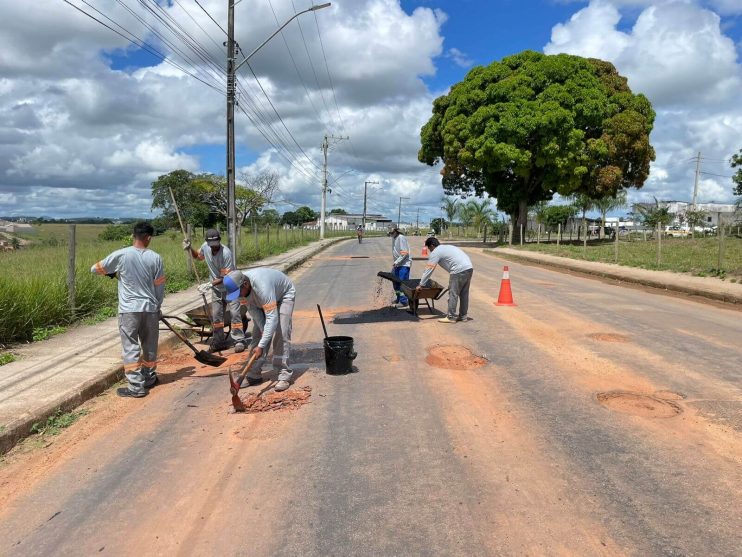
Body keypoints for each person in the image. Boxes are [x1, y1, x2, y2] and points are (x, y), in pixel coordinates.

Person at [91, 221, 165, 398]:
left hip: (129, 310)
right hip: (150, 308)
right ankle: (149, 378)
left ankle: (136, 387)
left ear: (134, 236)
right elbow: (159, 288)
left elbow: (94, 269)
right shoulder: (155, 258)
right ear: (148, 238)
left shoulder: (121, 255)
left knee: (130, 346)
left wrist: (113, 273)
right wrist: (158, 308)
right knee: (150, 345)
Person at [223, 268, 296, 392]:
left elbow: (272, 318)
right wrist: (263, 335)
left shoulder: (262, 286)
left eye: (238, 292)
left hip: (283, 296)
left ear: (245, 284)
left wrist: (262, 345)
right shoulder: (241, 292)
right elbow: (254, 312)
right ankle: (254, 374)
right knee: (258, 335)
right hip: (260, 303)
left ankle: (284, 374)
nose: (238, 296)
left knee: (281, 333)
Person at [183, 229, 245, 352]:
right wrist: (190, 249)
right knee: (216, 317)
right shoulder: (205, 247)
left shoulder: (226, 253)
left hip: (230, 287)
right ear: (207, 242)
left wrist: (208, 285)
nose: (213, 248)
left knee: (234, 314)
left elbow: (225, 277)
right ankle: (218, 342)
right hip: (216, 289)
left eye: (215, 244)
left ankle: (239, 341)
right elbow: (199, 257)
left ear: (219, 241)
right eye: (211, 245)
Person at [417, 237, 473, 324]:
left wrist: (421, 284)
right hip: (469, 268)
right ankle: (463, 316)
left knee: (453, 294)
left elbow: (429, 268)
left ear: (432, 245)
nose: (429, 250)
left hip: (458, 270)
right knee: (464, 294)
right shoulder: (445, 247)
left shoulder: (436, 252)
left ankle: (451, 317)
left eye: (429, 248)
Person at [389, 225, 411, 309]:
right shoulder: (394, 238)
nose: (391, 234)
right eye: (390, 233)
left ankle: (404, 301)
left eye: (392, 232)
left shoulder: (401, 238)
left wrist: (397, 262)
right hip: (397, 264)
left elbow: (405, 253)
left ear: (396, 231)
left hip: (404, 264)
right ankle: (399, 298)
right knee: (395, 282)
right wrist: (396, 263)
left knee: (402, 283)